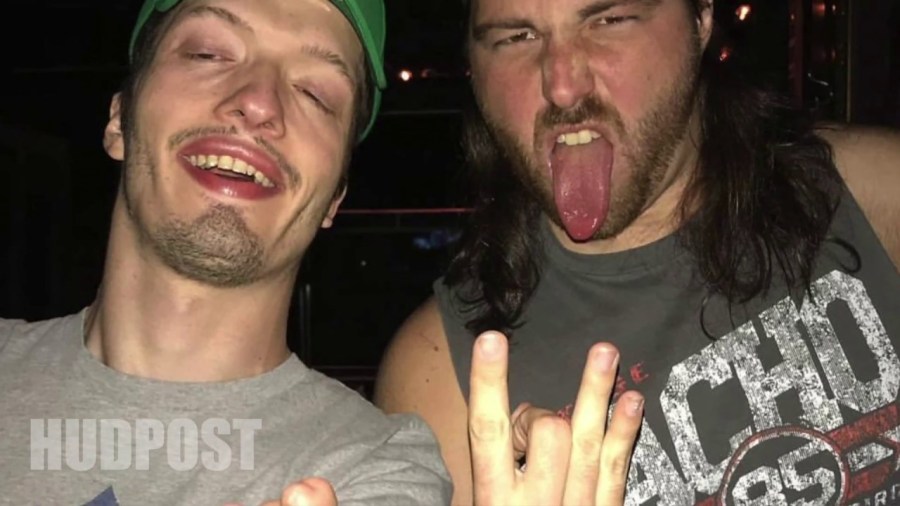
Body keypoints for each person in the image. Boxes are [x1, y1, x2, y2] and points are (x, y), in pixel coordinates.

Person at [374, 0, 900, 504]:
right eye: (517, 37)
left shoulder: (876, 193)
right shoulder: (438, 377)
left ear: (701, 17)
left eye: (610, 19)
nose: (563, 87)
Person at [0, 0, 456, 504]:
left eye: (315, 93)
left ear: (335, 198)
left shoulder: (375, 468)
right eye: (208, 53)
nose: (259, 102)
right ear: (119, 120)